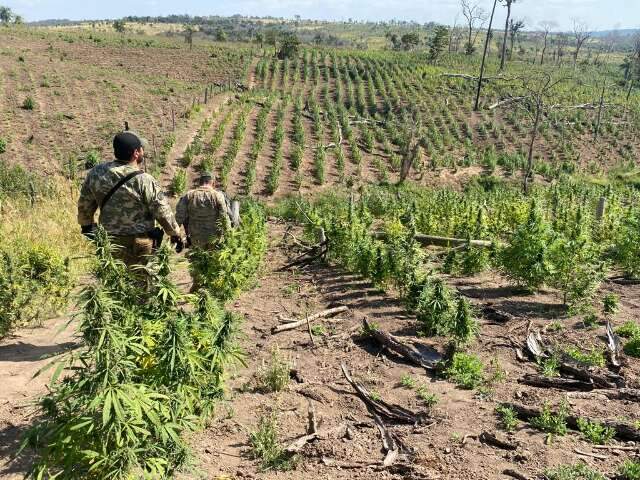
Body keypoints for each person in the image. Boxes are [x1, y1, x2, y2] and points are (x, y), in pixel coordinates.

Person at [77, 131, 184, 267]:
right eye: (141, 149)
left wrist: (87, 227)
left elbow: (84, 205)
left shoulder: (96, 173)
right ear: (136, 153)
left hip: (110, 242)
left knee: (116, 282)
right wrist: (175, 234)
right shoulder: (144, 180)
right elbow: (161, 211)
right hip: (140, 244)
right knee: (141, 283)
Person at [175, 172, 232, 291]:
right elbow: (224, 217)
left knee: (196, 260)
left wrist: (175, 235)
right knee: (213, 259)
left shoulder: (189, 195)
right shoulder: (217, 195)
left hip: (195, 236)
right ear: (213, 183)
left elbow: (179, 217)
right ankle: (210, 286)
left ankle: (197, 284)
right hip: (214, 236)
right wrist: (229, 235)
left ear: (199, 182)